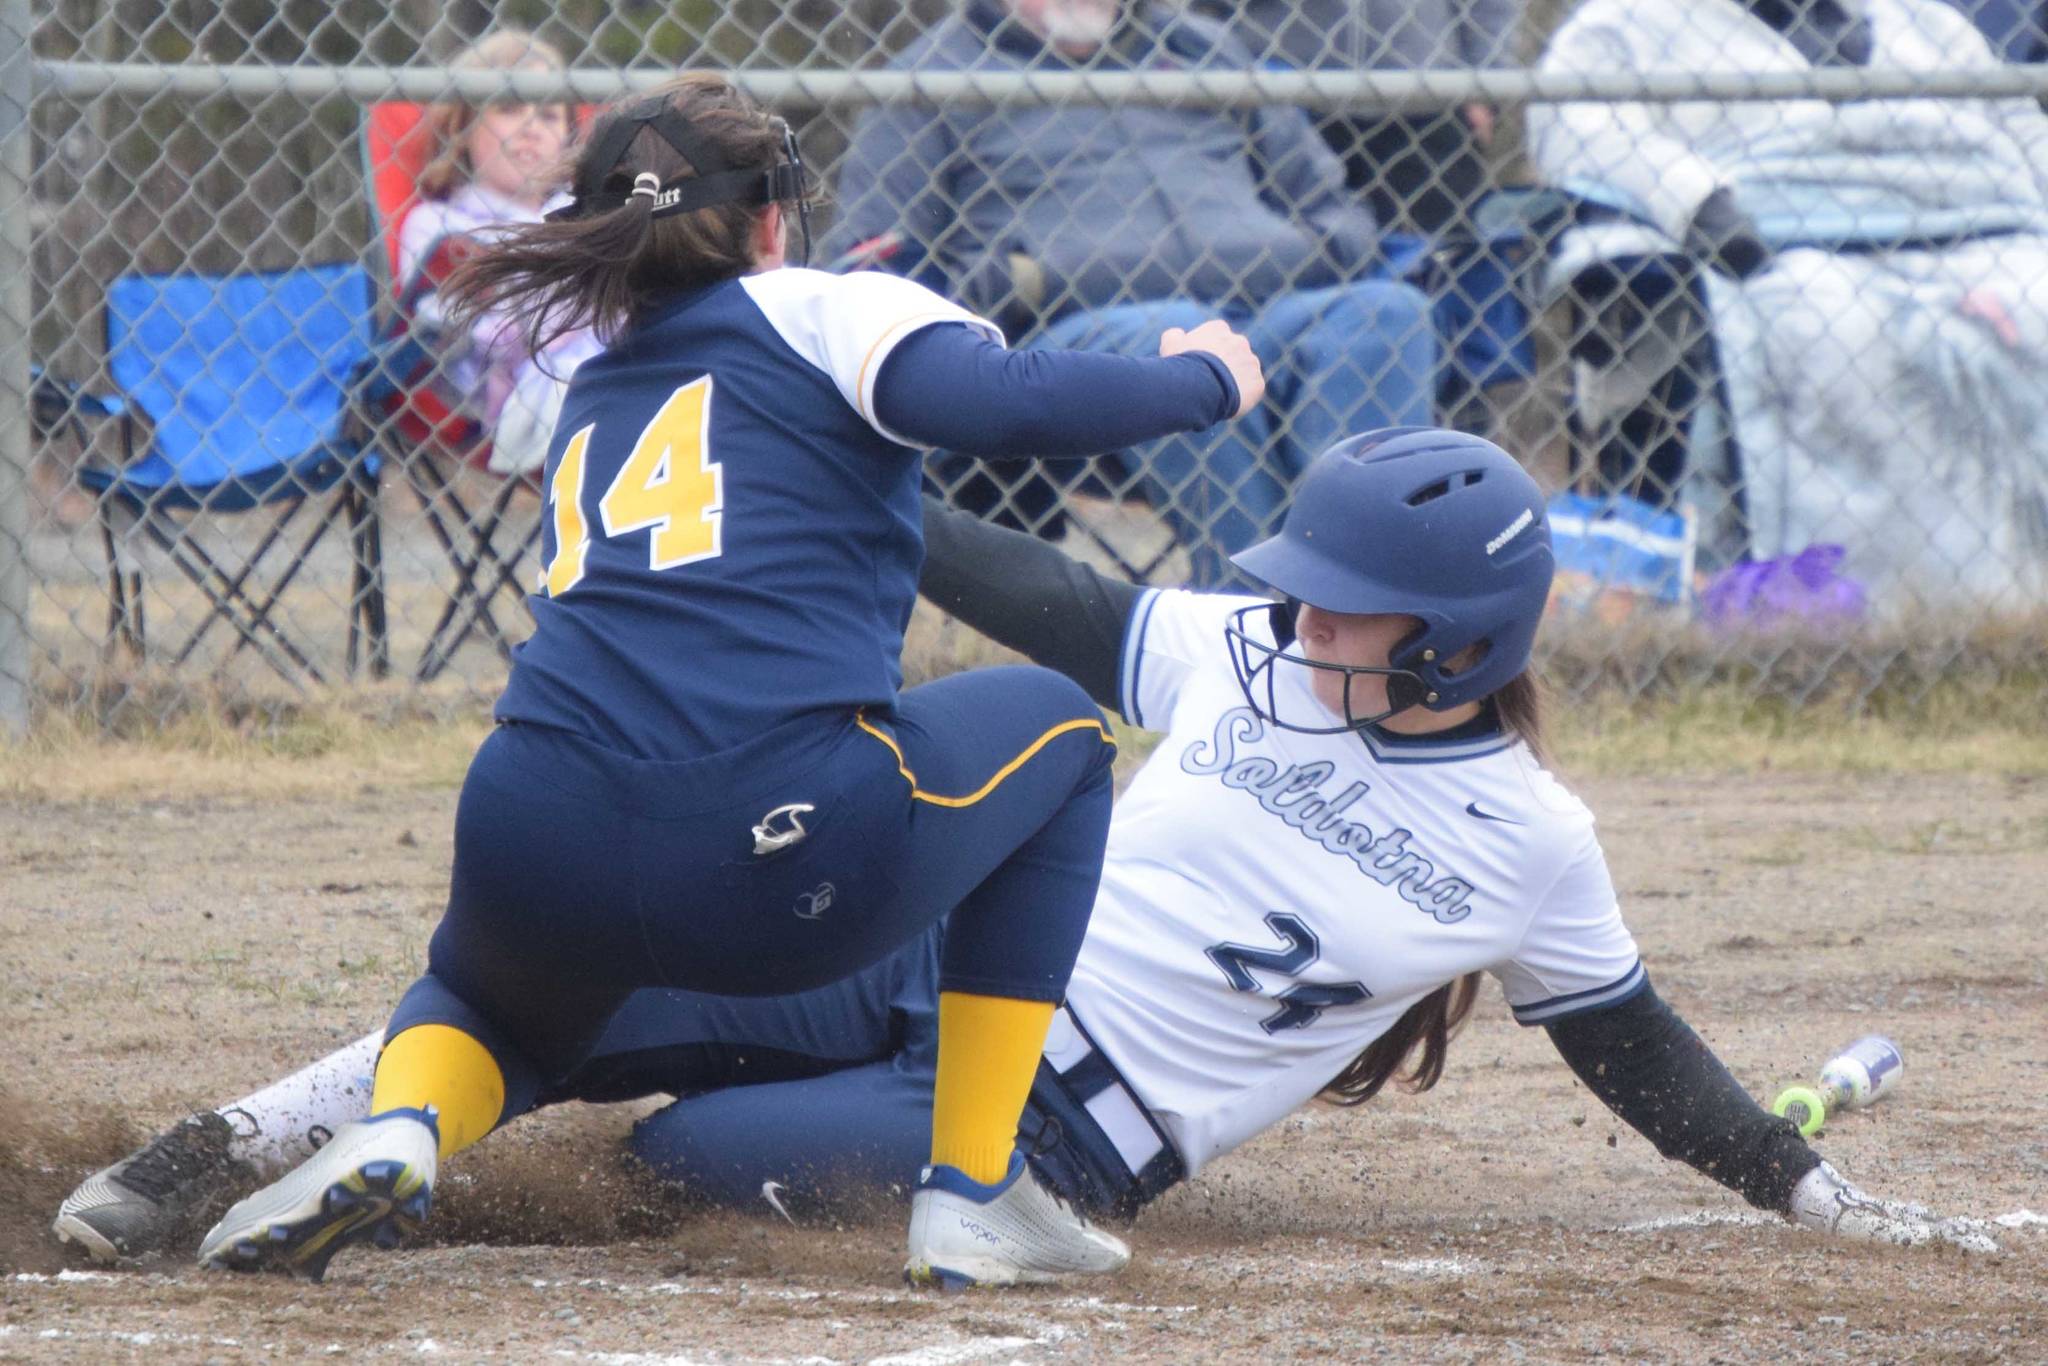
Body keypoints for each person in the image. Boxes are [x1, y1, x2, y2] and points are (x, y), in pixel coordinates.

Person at [59, 429, 1994, 1270]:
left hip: (1052, 1135)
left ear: (1461, 650)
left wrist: (1803, 1195)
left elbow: (1638, 1054)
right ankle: (225, 1151)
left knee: (670, 1163)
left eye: (1350, 613)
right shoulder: (1249, 654)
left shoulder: (1529, 840)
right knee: (585, 982)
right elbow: (1051, 595)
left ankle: (435, 1188)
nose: (1297, 622)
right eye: (1303, 596)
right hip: (938, 957)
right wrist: (849, 498)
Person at [165, 71, 1268, 1290]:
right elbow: (1001, 401)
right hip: (774, 847)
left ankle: (403, 1123)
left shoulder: (592, 381)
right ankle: (974, 1188)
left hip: (530, 821)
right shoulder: (823, 307)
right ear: (765, 219)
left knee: (483, 1000)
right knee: (1061, 738)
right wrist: (1203, 377)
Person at [824, 0, 1437, 584]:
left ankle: (1374, 593)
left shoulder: (1207, 48)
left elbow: (1339, 214)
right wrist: (1014, 282)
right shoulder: (928, 77)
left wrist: (1298, 251)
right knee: (1178, 336)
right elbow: (874, 271)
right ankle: (1252, 606)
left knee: (1387, 312)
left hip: (1270, 306)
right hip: (1080, 340)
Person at [1530, 0, 2048, 607]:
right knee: (1832, 327)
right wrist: (1693, 201)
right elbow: (1577, 129)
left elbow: (2017, 122)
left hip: (1978, 227)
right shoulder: (1627, 23)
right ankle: (1850, 597)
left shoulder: (1924, 19)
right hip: (1770, 242)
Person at [391, 30, 605, 478]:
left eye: (549, 115)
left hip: (598, 359)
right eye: (509, 109)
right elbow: (449, 325)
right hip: (498, 389)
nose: (532, 127)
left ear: (569, 136)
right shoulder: (442, 225)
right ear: (463, 126)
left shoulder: (583, 215)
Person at [1195, 0, 1522, 236]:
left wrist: (1484, 80)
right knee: (1290, 261)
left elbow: (1491, 8)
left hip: (1422, 101)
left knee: (1438, 264)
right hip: (1283, 102)